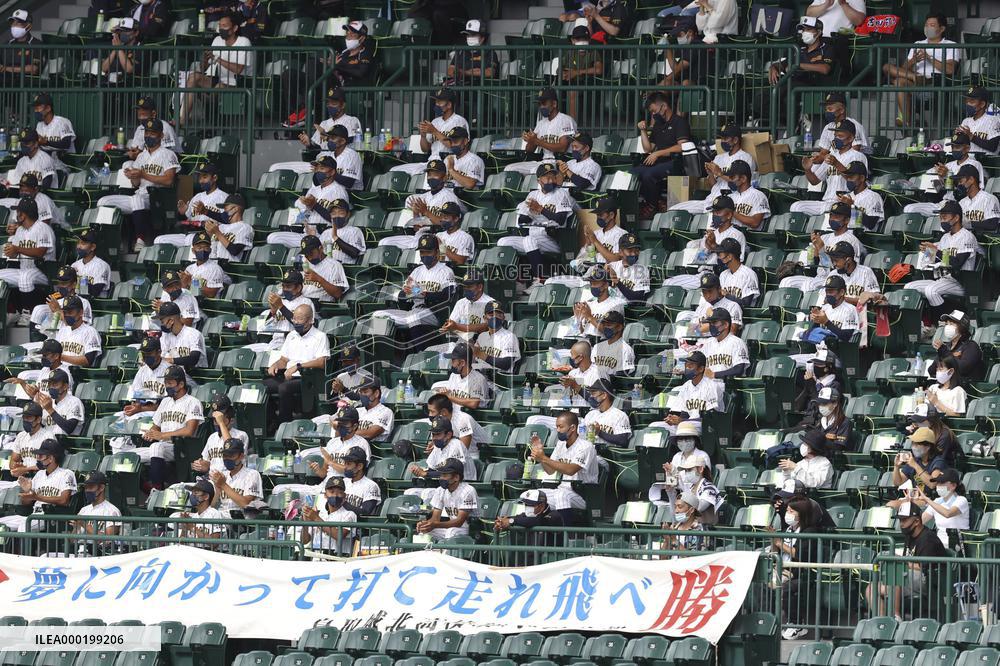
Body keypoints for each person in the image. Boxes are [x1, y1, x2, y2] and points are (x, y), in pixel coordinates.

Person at [97, 119, 179, 251]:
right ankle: (108, 242)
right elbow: (136, 184)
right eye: (147, 132)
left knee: (137, 199)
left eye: (153, 133)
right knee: (103, 201)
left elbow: (169, 181)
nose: (148, 136)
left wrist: (143, 174)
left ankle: (141, 240)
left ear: (161, 136)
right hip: (140, 195)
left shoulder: (168, 154)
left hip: (157, 197)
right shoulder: (141, 156)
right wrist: (133, 176)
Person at [866, 501, 947, 620]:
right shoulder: (910, 535)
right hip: (912, 579)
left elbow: (925, 567)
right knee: (871, 588)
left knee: (896, 573)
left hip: (931, 581)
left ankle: (896, 618)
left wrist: (901, 562)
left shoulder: (928, 539)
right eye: (900, 520)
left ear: (917, 521)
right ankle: (882, 623)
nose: (901, 524)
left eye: (904, 520)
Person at [500, 163, 576, 284]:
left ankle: (540, 279)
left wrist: (541, 210)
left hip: (552, 239)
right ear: (539, 180)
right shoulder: (533, 195)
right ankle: (520, 280)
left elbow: (561, 219)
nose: (551, 180)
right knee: (503, 241)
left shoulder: (561, 193)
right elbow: (521, 220)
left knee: (528, 240)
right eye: (547, 177)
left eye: (553, 177)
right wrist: (529, 214)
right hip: (534, 238)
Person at [908, 200, 983, 319]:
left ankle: (942, 323)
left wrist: (936, 251)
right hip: (945, 279)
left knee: (931, 290)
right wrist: (928, 252)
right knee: (910, 287)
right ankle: (926, 324)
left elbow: (957, 263)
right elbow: (936, 261)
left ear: (956, 217)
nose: (942, 220)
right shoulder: (945, 237)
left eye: (945, 216)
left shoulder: (967, 237)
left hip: (962, 282)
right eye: (940, 217)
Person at [882, 14, 959, 126]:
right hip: (914, 79)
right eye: (926, 25)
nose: (928, 28)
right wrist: (913, 60)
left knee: (898, 82)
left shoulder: (951, 45)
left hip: (933, 81)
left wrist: (929, 58)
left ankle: (905, 120)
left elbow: (950, 69)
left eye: (932, 25)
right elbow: (902, 69)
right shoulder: (918, 44)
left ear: (942, 29)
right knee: (887, 68)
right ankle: (914, 78)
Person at [139, 365, 204, 489]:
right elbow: (156, 427)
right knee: (128, 456)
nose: (167, 386)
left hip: (182, 447)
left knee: (156, 447)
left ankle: (156, 490)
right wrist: (150, 433)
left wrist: (162, 435)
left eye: (170, 383)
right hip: (163, 447)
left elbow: (190, 431)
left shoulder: (193, 402)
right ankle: (146, 489)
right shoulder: (165, 402)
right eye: (165, 382)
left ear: (181, 384)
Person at [264, 303, 330, 424]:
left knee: (284, 388)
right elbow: (284, 360)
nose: (295, 322)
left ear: (310, 320)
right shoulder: (291, 335)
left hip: (307, 378)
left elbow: (322, 362)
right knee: (262, 387)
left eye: (300, 319)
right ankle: (271, 421)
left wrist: (298, 366)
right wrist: (275, 365)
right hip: (288, 375)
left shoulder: (320, 336)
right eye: (294, 318)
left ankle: (284, 425)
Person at [181, 12, 253, 123]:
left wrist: (217, 58)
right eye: (219, 25)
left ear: (234, 28)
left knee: (218, 87)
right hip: (215, 80)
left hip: (238, 84)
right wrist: (205, 59)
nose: (221, 29)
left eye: (224, 26)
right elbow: (205, 68)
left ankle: (214, 121)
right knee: (193, 77)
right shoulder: (217, 40)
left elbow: (239, 69)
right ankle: (182, 120)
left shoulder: (244, 42)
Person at [378, 160, 464, 250]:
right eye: (429, 174)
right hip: (420, 236)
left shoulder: (449, 198)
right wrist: (416, 214)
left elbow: (448, 224)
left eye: (435, 174)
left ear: (444, 177)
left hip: (438, 239)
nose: (431, 177)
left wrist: (426, 211)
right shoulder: (422, 197)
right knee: (385, 242)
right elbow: (416, 228)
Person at [528, 410, 597, 521]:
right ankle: (539, 532)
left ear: (573, 428)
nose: (558, 430)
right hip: (563, 490)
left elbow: (571, 470)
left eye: (561, 427)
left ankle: (568, 536)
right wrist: (541, 457)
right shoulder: (560, 445)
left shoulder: (586, 446)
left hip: (584, 494)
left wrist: (544, 458)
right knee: (533, 495)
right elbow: (550, 471)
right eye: (556, 427)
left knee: (562, 496)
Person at [672, 124, 756, 214]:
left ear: (735, 140)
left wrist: (721, 173)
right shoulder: (718, 158)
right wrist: (711, 174)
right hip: (711, 199)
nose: (722, 141)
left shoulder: (746, 158)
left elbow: (739, 184)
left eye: (725, 138)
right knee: (674, 210)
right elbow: (714, 186)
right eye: (722, 138)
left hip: (729, 202)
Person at [792, 120, 868, 217]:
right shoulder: (831, 156)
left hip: (845, 202)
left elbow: (855, 182)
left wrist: (836, 164)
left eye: (840, 136)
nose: (837, 139)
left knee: (831, 213)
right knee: (796, 207)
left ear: (851, 138)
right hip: (826, 201)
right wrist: (807, 169)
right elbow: (815, 181)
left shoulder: (857, 156)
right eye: (835, 136)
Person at [764, 17, 832, 124]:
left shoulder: (826, 48)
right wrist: (773, 67)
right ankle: (783, 122)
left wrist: (798, 65)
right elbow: (783, 64)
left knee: (785, 87)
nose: (805, 32)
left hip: (814, 84)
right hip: (793, 83)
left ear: (818, 32)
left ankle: (789, 123)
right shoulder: (799, 48)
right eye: (803, 30)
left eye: (808, 29)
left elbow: (825, 69)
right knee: (765, 95)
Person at [633, 93, 691, 219]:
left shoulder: (679, 122)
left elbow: (682, 146)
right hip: (659, 162)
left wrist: (658, 153)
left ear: (664, 106)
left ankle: (652, 205)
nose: (653, 115)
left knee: (649, 174)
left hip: (676, 162)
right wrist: (642, 131)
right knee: (633, 173)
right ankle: (657, 202)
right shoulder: (658, 125)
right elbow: (648, 148)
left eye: (654, 111)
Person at [774, 497, 823, 640]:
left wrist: (779, 542)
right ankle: (769, 623)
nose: (787, 514)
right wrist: (773, 540)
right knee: (761, 585)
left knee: (788, 587)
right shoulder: (787, 529)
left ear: (801, 513)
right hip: (782, 570)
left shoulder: (810, 532)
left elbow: (799, 554)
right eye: (787, 510)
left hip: (802, 574)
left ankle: (796, 624)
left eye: (791, 511)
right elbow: (775, 551)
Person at [0, 439, 74, 532]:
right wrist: (27, 491)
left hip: (50, 516)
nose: (38, 458)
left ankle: (26, 547)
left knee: (24, 527)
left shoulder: (66, 474)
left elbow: (64, 500)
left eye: (41, 455)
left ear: (51, 458)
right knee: (2, 524)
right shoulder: (39, 475)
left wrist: (37, 497)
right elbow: (26, 503)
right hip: (34, 514)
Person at [392, 88, 469, 177]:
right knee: (395, 170)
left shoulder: (459, 121)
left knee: (424, 176)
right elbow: (425, 149)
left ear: (449, 105)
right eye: (436, 101)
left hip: (450, 163)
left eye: (440, 102)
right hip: (431, 162)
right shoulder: (435, 122)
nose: (436, 104)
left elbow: (456, 147)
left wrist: (434, 131)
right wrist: (423, 136)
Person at [904, 133, 984, 217]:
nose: (954, 150)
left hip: (961, 206)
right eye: (952, 147)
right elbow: (936, 186)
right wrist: (936, 177)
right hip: (944, 203)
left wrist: (948, 176)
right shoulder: (949, 165)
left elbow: (975, 192)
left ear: (967, 148)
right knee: (909, 209)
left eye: (957, 147)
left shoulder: (974, 165)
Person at [504, 87, 577, 176]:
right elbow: (529, 150)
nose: (541, 107)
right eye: (539, 104)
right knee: (509, 169)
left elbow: (563, 148)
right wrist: (530, 140)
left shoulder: (566, 120)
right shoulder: (541, 123)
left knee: (541, 172)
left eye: (544, 103)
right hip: (543, 162)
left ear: (554, 104)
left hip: (560, 163)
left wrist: (537, 141)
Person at [0, 197, 53, 315]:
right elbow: (15, 253)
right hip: (25, 269)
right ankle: (11, 312)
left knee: (25, 278)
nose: (16, 215)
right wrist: (10, 250)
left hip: (44, 272)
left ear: (23, 215)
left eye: (18, 212)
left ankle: (28, 315)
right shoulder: (20, 231)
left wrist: (17, 248)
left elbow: (40, 252)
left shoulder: (43, 228)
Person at [161, 164, 229, 241]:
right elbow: (188, 220)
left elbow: (227, 221)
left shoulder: (224, 197)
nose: (200, 181)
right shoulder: (197, 196)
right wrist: (183, 213)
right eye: (199, 177)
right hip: (191, 234)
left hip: (211, 236)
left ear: (214, 178)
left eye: (204, 177)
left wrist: (206, 213)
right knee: (159, 239)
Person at [0, 402, 60, 484]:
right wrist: (15, 468)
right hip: (23, 481)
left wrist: (25, 470)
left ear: (38, 419)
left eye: (29, 417)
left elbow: (50, 464)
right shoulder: (21, 436)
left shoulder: (47, 437)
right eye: (24, 417)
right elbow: (13, 460)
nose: (25, 420)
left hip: (43, 481)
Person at [493, 489, 571, 550]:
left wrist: (511, 521)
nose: (527, 507)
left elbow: (538, 521)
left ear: (541, 506)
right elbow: (518, 518)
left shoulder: (554, 515)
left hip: (551, 561)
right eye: (525, 504)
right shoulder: (527, 515)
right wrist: (502, 522)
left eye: (530, 504)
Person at [664, 351, 724, 429]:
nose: (687, 367)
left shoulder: (712, 386)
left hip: (708, 426)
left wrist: (682, 421)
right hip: (689, 424)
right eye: (686, 364)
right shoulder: (686, 386)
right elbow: (685, 414)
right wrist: (674, 419)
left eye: (691, 365)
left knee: (684, 428)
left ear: (701, 369)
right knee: (657, 426)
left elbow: (711, 417)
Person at [27, 265, 91, 336]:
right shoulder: (56, 301)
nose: (60, 286)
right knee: (38, 309)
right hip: (53, 338)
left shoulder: (83, 302)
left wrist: (58, 310)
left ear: (74, 284)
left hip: (70, 341)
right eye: (59, 283)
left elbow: (81, 329)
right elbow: (48, 327)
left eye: (64, 283)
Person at [299, 477, 356, 556]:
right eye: (331, 492)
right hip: (316, 557)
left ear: (344, 496)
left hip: (337, 559)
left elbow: (339, 536)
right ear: (325, 495)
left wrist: (316, 518)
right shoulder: (320, 514)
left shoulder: (349, 514)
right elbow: (304, 541)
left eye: (339, 492)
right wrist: (305, 523)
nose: (335, 495)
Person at [914, 468, 969, 550]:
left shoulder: (961, 500)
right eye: (938, 482)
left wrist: (928, 500)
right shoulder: (936, 501)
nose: (938, 485)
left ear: (953, 485)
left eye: (942, 483)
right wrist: (910, 503)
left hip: (957, 546)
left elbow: (948, 514)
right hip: (938, 544)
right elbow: (920, 521)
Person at [194, 396, 248, 473]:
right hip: (212, 479)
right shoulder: (212, 437)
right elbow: (207, 464)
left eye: (220, 418)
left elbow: (230, 447)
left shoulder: (241, 435)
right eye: (214, 419)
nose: (216, 422)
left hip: (233, 478)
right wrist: (200, 465)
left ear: (231, 420)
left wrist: (221, 423)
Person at [210, 438, 263, 515]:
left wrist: (223, 485)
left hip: (241, 521)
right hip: (221, 518)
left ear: (241, 456)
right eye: (225, 455)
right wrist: (217, 489)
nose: (227, 458)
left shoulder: (252, 474)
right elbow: (211, 507)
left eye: (231, 455)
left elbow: (246, 504)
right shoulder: (222, 475)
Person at [697, 306, 750, 381]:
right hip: (708, 386)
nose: (711, 326)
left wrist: (715, 375)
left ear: (725, 325)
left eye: (714, 322)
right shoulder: (708, 343)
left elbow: (739, 369)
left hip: (728, 386)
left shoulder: (737, 343)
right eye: (710, 323)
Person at [575, 265, 627, 336]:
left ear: (605, 285)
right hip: (584, 340)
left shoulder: (617, 303)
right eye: (591, 283)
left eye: (595, 283)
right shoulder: (589, 305)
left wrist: (589, 316)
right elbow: (582, 332)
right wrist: (578, 319)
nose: (592, 286)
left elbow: (610, 332)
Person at [260, 269, 315, 336]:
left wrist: (281, 307)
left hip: (296, 341)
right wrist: (273, 312)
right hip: (275, 342)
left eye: (288, 286)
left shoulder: (306, 303)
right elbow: (261, 328)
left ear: (299, 288)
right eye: (283, 286)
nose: (285, 289)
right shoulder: (280, 301)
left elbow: (303, 327)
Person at [471, 300, 521, 374]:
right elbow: (474, 358)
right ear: (485, 318)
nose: (495, 318)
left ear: (503, 318)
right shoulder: (482, 336)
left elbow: (506, 364)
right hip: (479, 375)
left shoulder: (509, 337)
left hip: (498, 380)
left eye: (498, 315)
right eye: (491, 315)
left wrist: (481, 354)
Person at [933, 310, 983, 382]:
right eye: (947, 324)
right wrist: (940, 354)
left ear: (962, 327)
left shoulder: (971, 346)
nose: (948, 327)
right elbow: (931, 370)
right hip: (946, 386)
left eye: (952, 324)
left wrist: (944, 352)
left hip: (965, 389)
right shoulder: (946, 346)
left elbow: (963, 368)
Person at [441, 342, 493, 412]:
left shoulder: (478, 379)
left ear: (462, 362)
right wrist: (443, 393)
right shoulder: (454, 375)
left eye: (453, 360)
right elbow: (449, 394)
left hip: (472, 418)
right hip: (455, 415)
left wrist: (449, 396)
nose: (451, 363)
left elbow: (473, 403)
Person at [31, 93, 75, 173]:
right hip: (44, 166)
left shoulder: (63, 122)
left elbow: (66, 144)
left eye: (38, 107)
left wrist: (46, 142)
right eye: (35, 108)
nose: (36, 110)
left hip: (62, 166)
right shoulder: (39, 125)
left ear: (48, 108)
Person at [158, 301, 208, 371]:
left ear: (171, 321)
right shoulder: (165, 337)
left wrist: (172, 360)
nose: (161, 324)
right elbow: (162, 358)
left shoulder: (194, 334)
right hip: (173, 376)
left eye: (162, 321)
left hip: (196, 376)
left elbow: (194, 359)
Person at [581, 378, 632, 447]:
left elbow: (622, 440)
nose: (591, 396)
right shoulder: (590, 414)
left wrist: (599, 432)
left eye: (594, 393)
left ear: (604, 395)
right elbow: (582, 436)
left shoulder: (620, 415)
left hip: (608, 456)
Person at [892, 427, 946, 491]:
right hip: (917, 497)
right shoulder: (915, 460)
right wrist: (896, 466)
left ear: (928, 447)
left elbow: (932, 484)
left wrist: (915, 465)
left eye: (917, 444)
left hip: (932, 499)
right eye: (913, 443)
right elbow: (897, 483)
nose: (914, 447)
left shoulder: (938, 462)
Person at [180, 231, 231, 299]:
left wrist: (191, 281)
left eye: (205, 247)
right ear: (193, 250)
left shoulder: (215, 269)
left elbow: (211, 294)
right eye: (199, 247)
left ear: (210, 250)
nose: (202, 250)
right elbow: (183, 290)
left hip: (207, 306)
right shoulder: (189, 268)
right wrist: (183, 282)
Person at [808, 275, 859, 342]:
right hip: (820, 349)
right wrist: (815, 320)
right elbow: (813, 334)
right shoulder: (825, 308)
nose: (828, 294)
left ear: (842, 292)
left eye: (831, 291)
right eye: (827, 291)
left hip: (839, 350)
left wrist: (826, 322)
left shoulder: (850, 310)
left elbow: (846, 337)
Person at [54, 296, 102, 367]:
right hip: (59, 371)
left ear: (81, 312)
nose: (67, 315)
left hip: (76, 373)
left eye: (70, 312)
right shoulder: (63, 330)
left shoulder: (90, 332)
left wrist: (61, 357)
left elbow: (88, 360)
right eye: (65, 312)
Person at [73, 471, 122, 540]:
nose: (87, 490)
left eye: (91, 487)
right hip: (80, 549)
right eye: (86, 487)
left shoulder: (112, 511)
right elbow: (72, 541)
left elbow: (108, 540)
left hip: (99, 550)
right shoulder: (83, 510)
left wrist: (85, 525)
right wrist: (76, 527)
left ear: (101, 487)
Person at [299, 235, 348, 303]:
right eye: (306, 255)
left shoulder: (334, 265)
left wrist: (319, 279)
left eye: (311, 253)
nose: (309, 258)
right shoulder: (305, 263)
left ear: (321, 248)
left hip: (319, 306)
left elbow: (337, 294)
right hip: (301, 302)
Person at [838, 161, 884, 230]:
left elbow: (871, 224)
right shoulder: (846, 197)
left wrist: (852, 206)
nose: (848, 179)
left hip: (863, 237)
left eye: (851, 176)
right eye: (847, 177)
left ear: (862, 178)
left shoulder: (874, 197)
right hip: (846, 235)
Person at [37, 369, 84, 436]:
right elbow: (41, 426)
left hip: (66, 444)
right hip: (48, 442)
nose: (51, 387)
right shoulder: (48, 402)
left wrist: (50, 409)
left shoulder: (74, 402)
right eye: (50, 384)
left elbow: (69, 428)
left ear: (65, 386)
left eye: (55, 384)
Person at [955, 164, 1000, 233]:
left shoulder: (989, 199)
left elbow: (993, 224)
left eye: (961, 181)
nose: (959, 184)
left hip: (983, 240)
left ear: (971, 179)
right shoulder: (962, 202)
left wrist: (969, 224)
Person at [956, 85, 1000, 156]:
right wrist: (958, 137)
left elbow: (993, 146)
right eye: (967, 100)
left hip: (986, 161)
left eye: (972, 101)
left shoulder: (992, 120)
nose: (968, 104)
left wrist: (971, 137)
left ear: (982, 104)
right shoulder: (966, 121)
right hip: (968, 161)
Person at [580, 196, 625, 265]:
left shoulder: (622, 235)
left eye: (600, 214)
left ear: (611, 215)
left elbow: (616, 260)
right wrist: (589, 242)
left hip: (610, 273)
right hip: (594, 271)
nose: (598, 217)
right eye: (597, 215)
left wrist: (594, 241)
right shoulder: (596, 233)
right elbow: (590, 258)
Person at [349, 378, 395, 444]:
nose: (362, 395)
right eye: (361, 392)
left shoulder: (385, 412)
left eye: (365, 392)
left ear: (376, 393)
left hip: (374, 451)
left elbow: (370, 434)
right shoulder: (358, 410)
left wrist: (347, 433)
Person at [559, 0, 633, 41]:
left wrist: (596, 16)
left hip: (610, 46)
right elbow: (591, 35)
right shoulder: (597, 8)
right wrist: (589, 23)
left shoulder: (618, 7)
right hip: (595, 44)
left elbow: (614, 31)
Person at [717, 238, 759, 308]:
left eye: (721, 253)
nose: (719, 256)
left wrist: (726, 295)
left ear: (730, 256)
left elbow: (746, 304)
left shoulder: (749, 274)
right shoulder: (723, 275)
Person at [1, 9, 41, 83]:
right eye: (13, 23)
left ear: (28, 26)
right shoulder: (7, 44)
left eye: (18, 23)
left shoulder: (36, 44)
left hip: (25, 84)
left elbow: (33, 69)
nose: (14, 26)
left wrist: (6, 68)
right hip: (4, 83)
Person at [608, 233, 650, 302]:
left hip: (627, 309)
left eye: (636, 250)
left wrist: (617, 281)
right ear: (621, 252)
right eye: (630, 251)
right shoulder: (613, 266)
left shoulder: (643, 270)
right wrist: (604, 271)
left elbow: (637, 298)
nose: (633, 254)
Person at [590, 310, 634, 376]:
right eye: (603, 324)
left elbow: (621, 377)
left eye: (608, 325)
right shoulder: (597, 347)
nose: (605, 327)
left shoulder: (626, 350)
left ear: (619, 327)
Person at [70, 229, 112, 298]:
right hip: (76, 303)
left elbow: (96, 291)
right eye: (78, 243)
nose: (79, 246)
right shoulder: (75, 265)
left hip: (95, 304)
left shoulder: (101, 266)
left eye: (83, 243)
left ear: (93, 247)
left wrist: (76, 283)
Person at [341, 446, 382, 516]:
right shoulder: (343, 482)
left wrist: (343, 503)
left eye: (349, 464)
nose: (345, 467)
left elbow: (365, 512)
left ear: (360, 466)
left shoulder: (371, 486)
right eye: (345, 463)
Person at [333, 21, 375, 87]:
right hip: (339, 89)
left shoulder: (366, 53)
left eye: (352, 33)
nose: (348, 36)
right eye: (347, 32)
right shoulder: (343, 53)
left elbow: (360, 73)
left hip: (357, 92)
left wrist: (336, 67)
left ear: (362, 38)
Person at [101, 17, 144, 82]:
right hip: (111, 84)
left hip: (130, 86)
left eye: (126, 30)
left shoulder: (141, 47)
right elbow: (104, 68)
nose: (123, 33)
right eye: (121, 30)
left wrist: (119, 49)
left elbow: (129, 69)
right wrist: (115, 49)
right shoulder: (117, 45)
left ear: (136, 33)